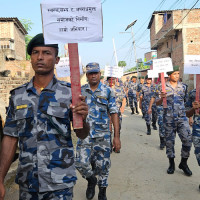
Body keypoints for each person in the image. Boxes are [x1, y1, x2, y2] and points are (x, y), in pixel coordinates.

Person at [0, 33, 89, 200]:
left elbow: (82, 134)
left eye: (47, 53)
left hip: (59, 182)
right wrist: (0, 178)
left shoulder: (71, 93)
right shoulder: (18, 95)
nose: (40, 57)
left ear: (56, 59)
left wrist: (83, 118)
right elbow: (10, 138)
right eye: (35, 52)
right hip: (28, 183)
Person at [75, 63, 121, 200]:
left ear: (100, 74)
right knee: (80, 162)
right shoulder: (80, 91)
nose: (93, 75)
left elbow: (114, 113)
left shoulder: (108, 91)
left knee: (103, 165)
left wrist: (116, 137)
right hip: (85, 134)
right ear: (87, 75)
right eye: (90, 73)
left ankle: (102, 191)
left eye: (95, 72)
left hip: (103, 135)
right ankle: (91, 180)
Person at [156, 66, 192, 176]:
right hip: (168, 119)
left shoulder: (183, 87)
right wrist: (162, 98)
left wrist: (190, 117)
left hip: (182, 118)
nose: (177, 75)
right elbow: (157, 103)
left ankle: (183, 163)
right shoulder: (162, 87)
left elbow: (187, 103)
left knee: (187, 140)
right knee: (170, 142)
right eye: (174, 73)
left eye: (178, 73)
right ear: (169, 75)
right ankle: (171, 163)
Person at [186, 88, 200, 190]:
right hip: (197, 130)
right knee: (199, 154)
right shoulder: (194, 93)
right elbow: (187, 113)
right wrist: (193, 108)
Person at [107, 77, 126, 153]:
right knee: (108, 130)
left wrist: (123, 107)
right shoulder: (105, 89)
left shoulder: (120, 88)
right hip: (107, 112)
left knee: (117, 128)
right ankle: (109, 145)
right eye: (109, 79)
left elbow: (124, 98)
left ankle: (116, 145)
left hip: (117, 111)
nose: (111, 81)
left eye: (113, 79)